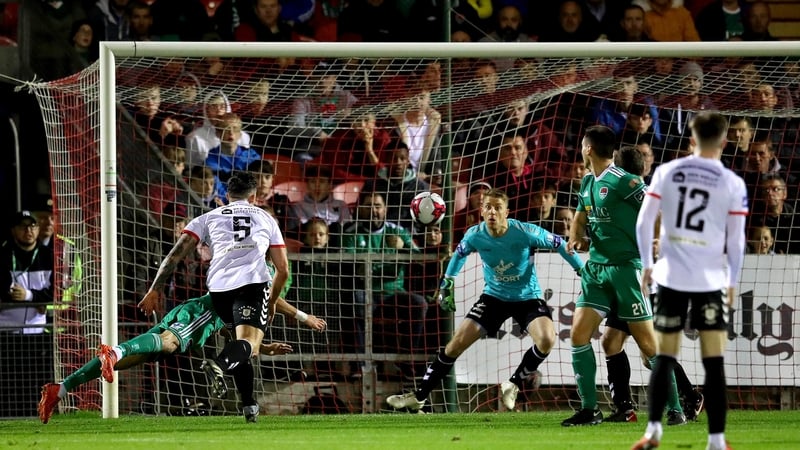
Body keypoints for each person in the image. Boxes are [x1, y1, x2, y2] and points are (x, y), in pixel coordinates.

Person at [386, 188, 585, 412]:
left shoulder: (525, 232)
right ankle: (419, 396)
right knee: (455, 345)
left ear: (506, 212)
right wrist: (447, 283)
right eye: (488, 207)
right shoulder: (475, 235)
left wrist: (581, 270)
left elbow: (559, 243)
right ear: (481, 211)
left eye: (497, 208)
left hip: (527, 298)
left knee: (547, 340)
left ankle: (514, 383)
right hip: (493, 298)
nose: (492, 212)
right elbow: (459, 254)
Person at [631, 111, 747, 450]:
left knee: (664, 356)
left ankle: (653, 431)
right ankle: (716, 440)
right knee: (713, 361)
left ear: (692, 139)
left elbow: (644, 223)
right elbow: (736, 239)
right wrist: (732, 281)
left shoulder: (666, 172)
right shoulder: (732, 182)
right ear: (724, 141)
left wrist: (647, 264)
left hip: (670, 277)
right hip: (709, 280)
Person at [135, 172, 289, 423]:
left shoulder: (207, 217)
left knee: (238, 342)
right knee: (250, 343)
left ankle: (249, 406)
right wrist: (271, 302)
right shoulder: (265, 218)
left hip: (218, 290)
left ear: (227, 195)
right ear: (254, 197)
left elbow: (174, 256)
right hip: (252, 285)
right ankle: (218, 364)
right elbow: (283, 269)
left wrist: (154, 289)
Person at [38, 292, 325, 424]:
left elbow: (235, 333)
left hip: (197, 314)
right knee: (168, 343)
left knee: (134, 357)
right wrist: (303, 317)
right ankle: (114, 351)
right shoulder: (263, 270)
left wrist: (264, 346)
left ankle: (60, 389)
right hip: (200, 314)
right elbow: (273, 298)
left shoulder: (244, 284)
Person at [562, 125, 655, 427]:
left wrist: (655, 242)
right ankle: (590, 409)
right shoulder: (588, 181)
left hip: (627, 270)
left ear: (588, 149)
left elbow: (655, 209)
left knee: (647, 347)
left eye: (582, 145)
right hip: (598, 269)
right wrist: (576, 237)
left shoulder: (624, 180)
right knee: (582, 336)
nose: (581, 149)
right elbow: (579, 218)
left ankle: (679, 404)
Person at [600, 146, 698, 424]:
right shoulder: (625, 196)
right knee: (612, 341)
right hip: (629, 280)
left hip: (650, 285)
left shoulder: (643, 194)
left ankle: (684, 401)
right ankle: (625, 408)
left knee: (649, 351)